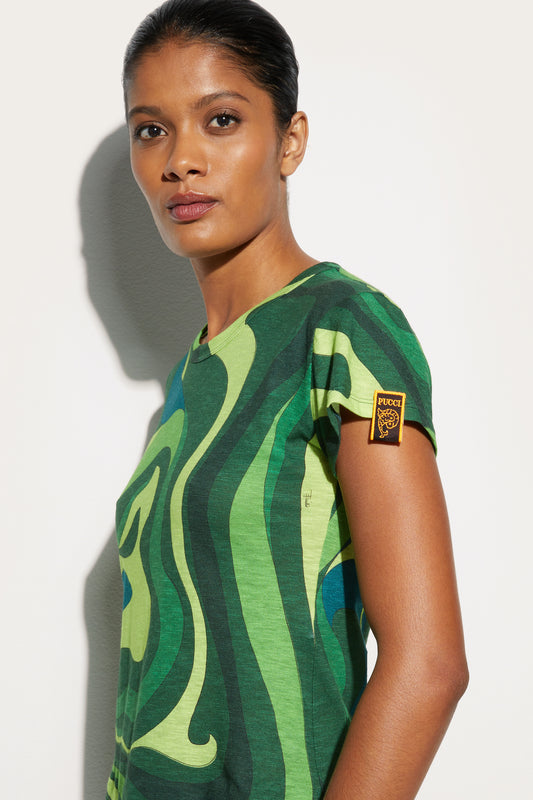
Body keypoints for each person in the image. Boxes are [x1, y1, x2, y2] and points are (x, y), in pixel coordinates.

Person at [106, 1, 468, 798]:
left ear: (289, 141)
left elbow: (428, 664)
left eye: (221, 120)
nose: (180, 161)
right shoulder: (188, 386)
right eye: (151, 130)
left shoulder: (345, 331)